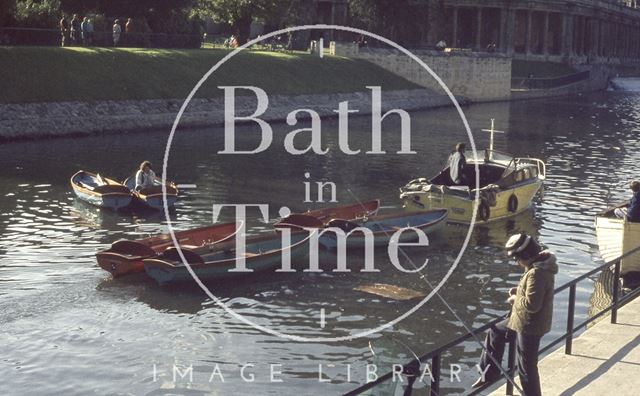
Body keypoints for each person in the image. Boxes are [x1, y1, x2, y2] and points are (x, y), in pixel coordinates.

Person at [472, 233, 557, 396]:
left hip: (529, 326)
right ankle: (488, 373)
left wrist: (515, 298)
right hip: (521, 321)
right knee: (495, 331)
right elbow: (535, 293)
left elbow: (532, 305)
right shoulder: (537, 267)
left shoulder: (537, 273)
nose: (517, 262)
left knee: (527, 368)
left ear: (525, 255)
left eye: (517, 258)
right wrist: (519, 291)